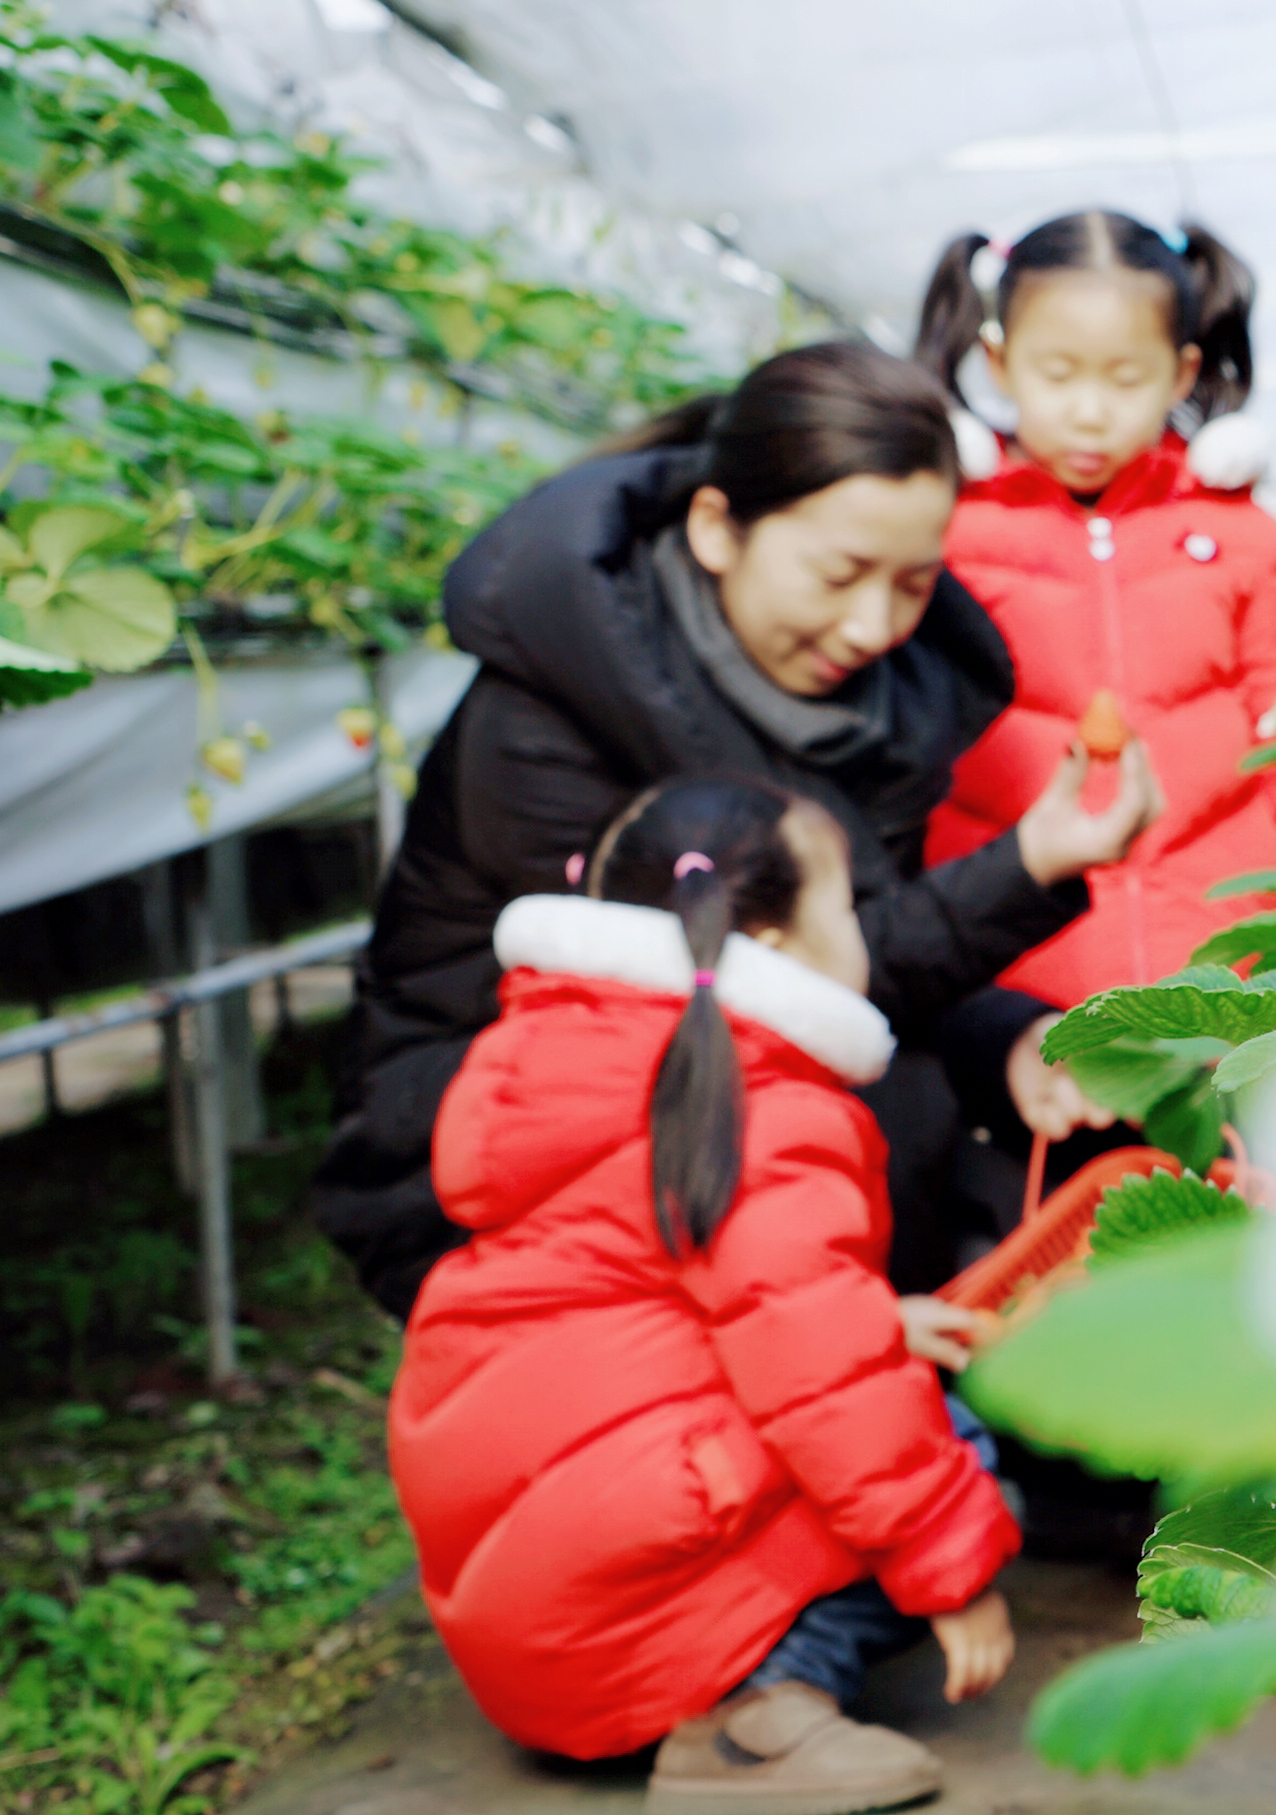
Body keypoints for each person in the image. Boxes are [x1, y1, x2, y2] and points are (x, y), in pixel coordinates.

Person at [312, 341, 1163, 1316]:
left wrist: (1008, 1041)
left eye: (915, 584)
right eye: (840, 573)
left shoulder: (861, 705)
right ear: (718, 529)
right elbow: (759, 988)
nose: (874, 625)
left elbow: (851, 939)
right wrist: (1022, 868)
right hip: (494, 1165)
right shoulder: (547, 722)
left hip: (719, 1109)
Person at [393, 777, 1014, 1812]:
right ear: (770, 944)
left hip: (529, 1622)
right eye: (848, 905)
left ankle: (715, 1671)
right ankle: (753, 1717)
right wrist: (954, 1572)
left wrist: (879, 1323)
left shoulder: (541, 1055)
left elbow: (656, 1299)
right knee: (957, 1446)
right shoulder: (764, 1098)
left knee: (870, 1380)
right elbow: (823, 1376)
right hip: (622, 1618)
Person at [910, 212, 1276, 1148]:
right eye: (1056, 373)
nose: (1088, 410)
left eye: (1125, 379)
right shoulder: (950, 536)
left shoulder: (1236, 537)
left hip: (1225, 978)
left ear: (1183, 375)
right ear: (997, 363)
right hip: (1028, 993)